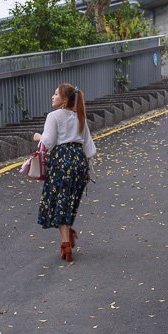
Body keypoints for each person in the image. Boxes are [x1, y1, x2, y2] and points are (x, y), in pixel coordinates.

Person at [33, 82, 97, 262]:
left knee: (58, 201)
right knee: (69, 200)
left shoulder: (53, 116)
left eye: (56, 94)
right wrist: (87, 169)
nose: (52, 97)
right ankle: (68, 233)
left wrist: (38, 136)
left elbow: (49, 142)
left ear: (64, 100)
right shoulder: (80, 117)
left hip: (61, 160)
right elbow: (88, 147)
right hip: (79, 161)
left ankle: (65, 244)